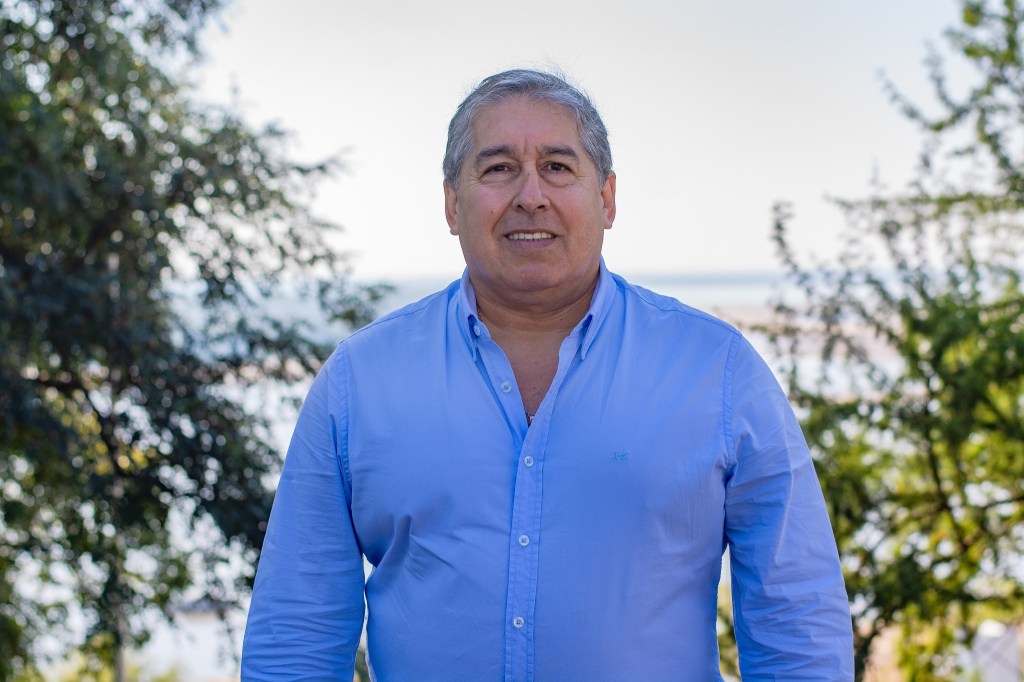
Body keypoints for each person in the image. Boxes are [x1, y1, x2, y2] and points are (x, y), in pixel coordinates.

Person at [241, 69, 854, 681]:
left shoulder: (717, 372)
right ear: (452, 203)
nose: (530, 195)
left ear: (607, 198)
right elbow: (297, 631)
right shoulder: (360, 382)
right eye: (498, 168)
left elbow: (796, 621)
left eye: (558, 167)